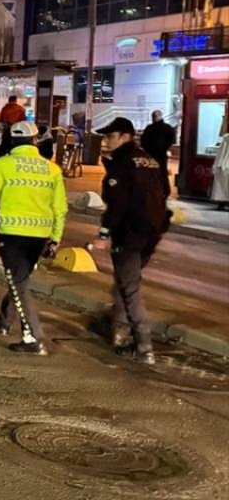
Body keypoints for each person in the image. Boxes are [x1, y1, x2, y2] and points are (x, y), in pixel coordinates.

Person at [0, 122, 67, 357]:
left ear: (12, 141)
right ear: (35, 141)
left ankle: (33, 339)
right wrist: (55, 239)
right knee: (20, 279)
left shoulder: (3, 165)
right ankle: (4, 321)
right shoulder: (52, 169)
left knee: (19, 284)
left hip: (13, 235)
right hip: (40, 237)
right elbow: (60, 208)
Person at [93, 117, 171, 364]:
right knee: (124, 282)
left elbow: (117, 204)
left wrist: (104, 233)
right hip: (152, 232)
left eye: (110, 136)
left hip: (129, 234)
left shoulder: (122, 163)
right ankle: (120, 332)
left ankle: (144, 346)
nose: (106, 141)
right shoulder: (150, 160)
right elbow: (164, 194)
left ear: (125, 136)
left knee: (130, 289)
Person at [139, 109, 177, 197]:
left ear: (160, 116)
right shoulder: (150, 128)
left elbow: (171, 140)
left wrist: (163, 148)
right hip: (153, 154)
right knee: (152, 173)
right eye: (153, 116)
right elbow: (143, 140)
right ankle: (155, 190)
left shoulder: (166, 128)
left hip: (159, 154)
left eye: (155, 116)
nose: (153, 118)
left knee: (161, 172)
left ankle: (164, 191)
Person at [213, 132, 229, 211]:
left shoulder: (226, 138)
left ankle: (221, 203)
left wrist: (217, 164)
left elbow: (221, 152)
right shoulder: (226, 138)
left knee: (222, 184)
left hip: (225, 164)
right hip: (226, 163)